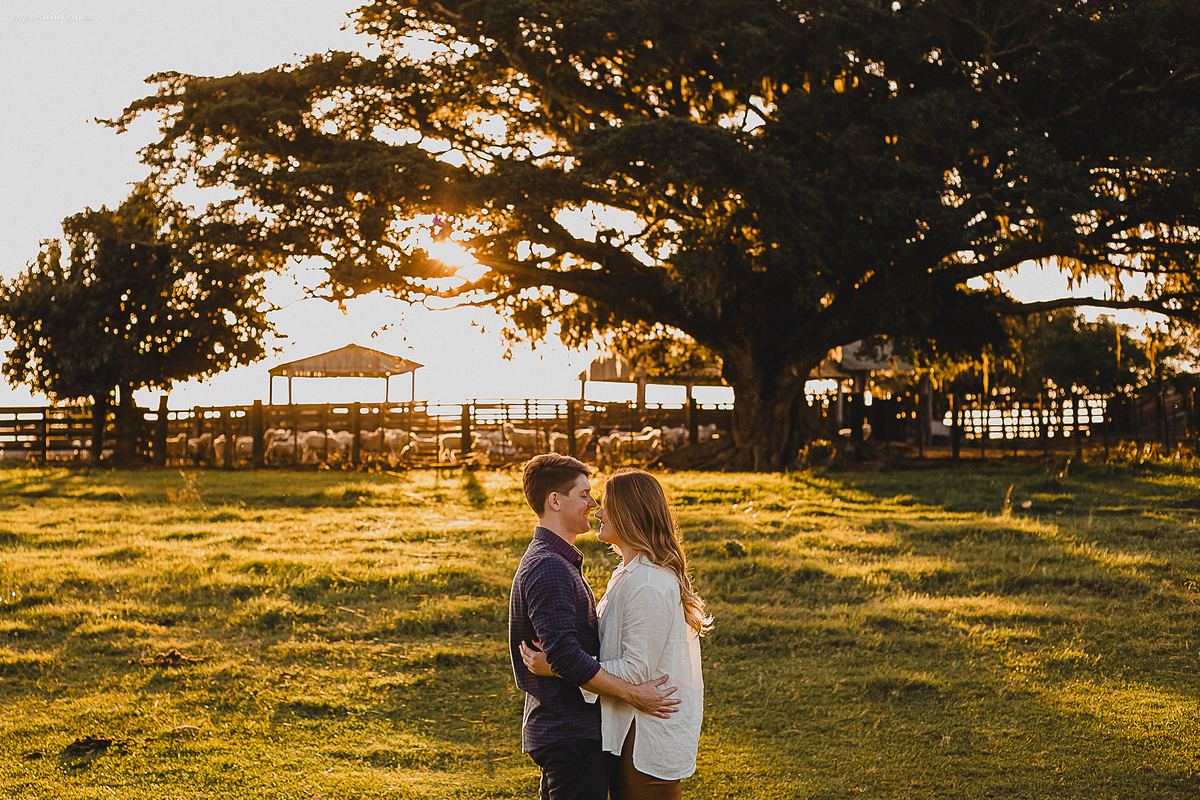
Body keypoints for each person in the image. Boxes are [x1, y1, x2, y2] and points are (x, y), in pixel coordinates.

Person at [522, 468, 710, 800]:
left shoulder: (648, 582)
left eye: (606, 506)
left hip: (647, 736)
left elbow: (635, 670)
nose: (598, 512)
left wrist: (556, 667)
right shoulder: (626, 574)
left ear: (629, 513)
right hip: (629, 731)